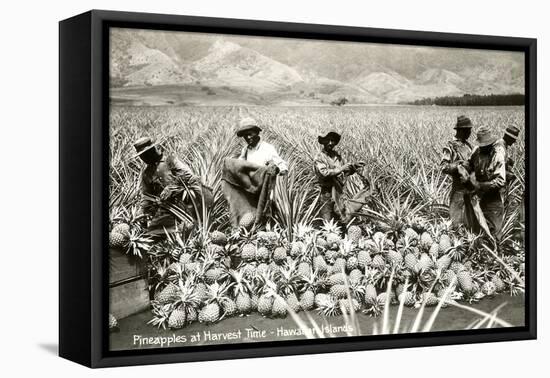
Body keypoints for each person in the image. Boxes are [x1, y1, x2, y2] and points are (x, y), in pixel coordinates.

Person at [133, 137, 212, 236]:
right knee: (153, 234)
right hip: (167, 208)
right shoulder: (146, 174)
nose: (143, 159)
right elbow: (146, 196)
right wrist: (142, 211)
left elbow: (189, 176)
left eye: (144, 155)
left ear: (152, 151)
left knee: (191, 229)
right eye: (141, 156)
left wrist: (172, 187)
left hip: (186, 204)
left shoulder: (170, 161)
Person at [463, 126, 507, 238]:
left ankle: (496, 251)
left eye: (485, 145)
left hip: (493, 199)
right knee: (478, 232)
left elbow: (500, 181)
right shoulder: (476, 151)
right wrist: (464, 169)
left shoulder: (497, 154)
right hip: (478, 198)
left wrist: (480, 185)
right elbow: (469, 165)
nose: (483, 147)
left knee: (495, 234)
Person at [313, 131, 365, 222]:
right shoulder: (319, 157)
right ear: (324, 141)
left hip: (338, 192)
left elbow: (344, 172)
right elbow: (324, 173)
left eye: (332, 140)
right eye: (328, 140)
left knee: (341, 218)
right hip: (326, 193)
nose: (330, 143)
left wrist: (354, 166)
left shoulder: (337, 156)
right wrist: (341, 168)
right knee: (327, 220)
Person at [440, 115, 474, 227]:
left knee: (470, 221)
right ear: (462, 131)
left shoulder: (468, 145)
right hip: (458, 189)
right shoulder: (450, 146)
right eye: (468, 130)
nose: (470, 133)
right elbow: (443, 167)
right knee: (456, 221)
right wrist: (458, 164)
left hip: (470, 188)